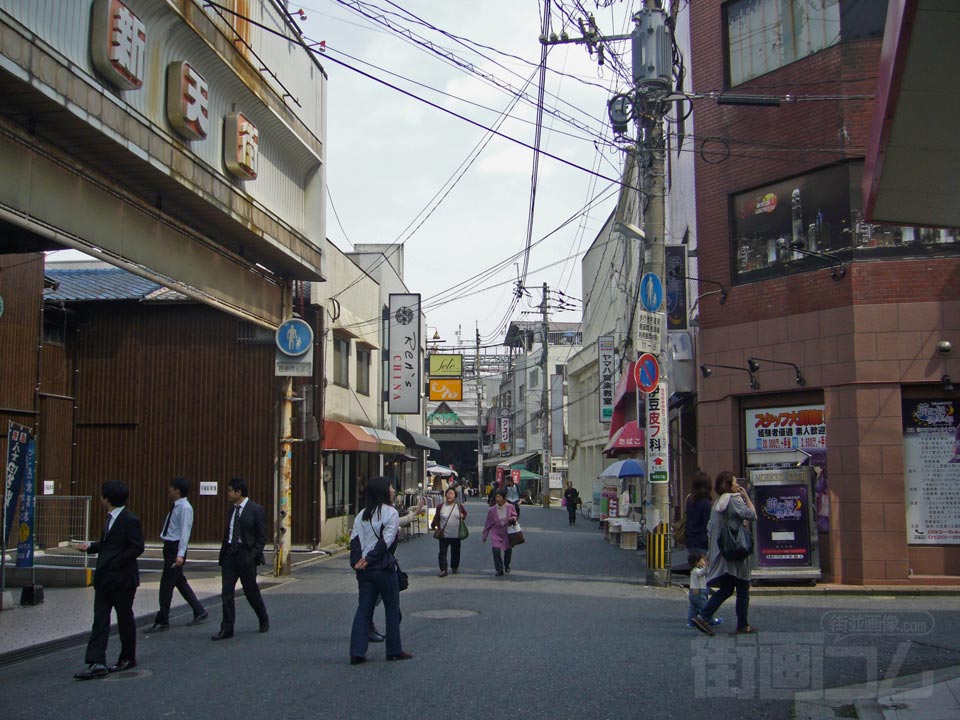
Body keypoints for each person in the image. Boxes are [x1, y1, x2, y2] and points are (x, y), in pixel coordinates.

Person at [73, 481, 144, 680]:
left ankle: (127, 657)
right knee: (100, 619)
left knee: (124, 618)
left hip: (123, 579)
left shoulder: (129, 519)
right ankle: (97, 661)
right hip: (105, 578)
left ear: (107, 499)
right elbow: (108, 544)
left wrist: (116, 561)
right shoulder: (110, 518)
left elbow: (137, 546)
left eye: (102, 496)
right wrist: (90, 546)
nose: (101, 499)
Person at [349, 476, 413, 664]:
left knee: (364, 610)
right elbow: (386, 541)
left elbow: (354, 541)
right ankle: (394, 650)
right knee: (391, 609)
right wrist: (369, 559)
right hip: (384, 568)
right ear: (383, 491)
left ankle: (357, 652)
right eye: (391, 488)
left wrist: (358, 562)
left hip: (364, 571)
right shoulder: (390, 512)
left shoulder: (361, 514)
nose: (393, 491)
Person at [692, 472, 757, 636]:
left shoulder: (717, 503)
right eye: (735, 482)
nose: (737, 485)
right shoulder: (734, 499)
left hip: (722, 552)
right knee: (742, 587)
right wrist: (746, 496)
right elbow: (752, 515)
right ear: (728, 485)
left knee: (727, 588)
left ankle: (703, 617)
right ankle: (742, 625)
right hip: (736, 550)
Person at [145, 476, 207, 634]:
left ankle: (162, 620)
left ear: (177, 490)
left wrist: (180, 554)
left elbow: (185, 532)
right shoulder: (177, 506)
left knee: (166, 585)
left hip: (175, 548)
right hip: (169, 546)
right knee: (179, 582)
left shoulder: (185, 507)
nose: (169, 490)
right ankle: (199, 611)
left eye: (171, 487)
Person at [211, 477, 269, 640]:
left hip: (246, 554)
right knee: (227, 592)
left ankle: (263, 617)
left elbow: (262, 536)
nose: (227, 493)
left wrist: (253, 555)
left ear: (239, 492)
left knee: (250, 591)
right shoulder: (232, 510)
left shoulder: (255, 509)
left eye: (230, 491)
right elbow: (229, 532)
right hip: (230, 554)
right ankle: (227, 628)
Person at [430, 487, 467, 576]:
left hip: (456, 534)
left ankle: (454, 567)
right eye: (448, 493)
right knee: (442, 553)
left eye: (452, 494)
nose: (449, 495)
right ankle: (443, 569)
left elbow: (464, 514)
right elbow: (436, 517)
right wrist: (434, 525)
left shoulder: (459, 506)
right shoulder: (440, 506)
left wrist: (463, 515)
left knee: (455, 552)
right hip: (444, 535)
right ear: (445, 495)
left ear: (455, 496)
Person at [482, 489, 518, 576]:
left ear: (504, 498)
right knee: (496, 551)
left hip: (507, 532)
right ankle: (499, 569)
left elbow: (514, 515)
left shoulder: (510, 507)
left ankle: (506, 564)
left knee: (508, 550)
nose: (497, 499)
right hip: (496, 532)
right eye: (496, 497)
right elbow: (488, 523)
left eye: (499, 497)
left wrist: (513, 518)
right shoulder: (492, 510)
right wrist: (485, 535)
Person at [687, 550, 721, 629]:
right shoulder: (696, 571)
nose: (704, 562)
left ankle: (691, 622)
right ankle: (711, 621)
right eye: (702, 560)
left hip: (693, 593)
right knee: (705, 607)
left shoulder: (693, 571)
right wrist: (707, 566)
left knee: (693, 609)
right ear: (697, 562)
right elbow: (701, 573)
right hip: (699, 593)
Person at [684, 471, 713, 557]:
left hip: (690, 540)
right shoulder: (706, 503)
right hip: (702, 542)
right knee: (703, 564)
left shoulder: (689, 499)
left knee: (694, 564)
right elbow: (708, 523)